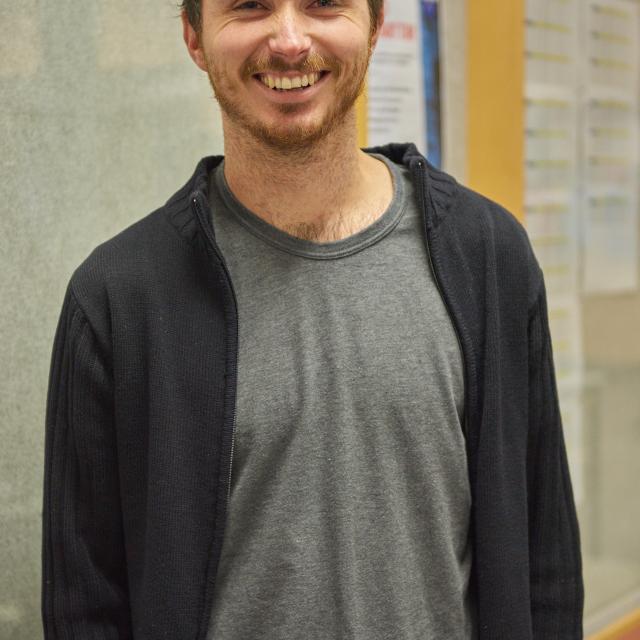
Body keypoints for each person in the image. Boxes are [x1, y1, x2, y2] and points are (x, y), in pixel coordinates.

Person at [41, 0, 584, 638]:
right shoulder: (118, 300)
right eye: (250, 5)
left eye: (324, 3)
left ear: (375, 23)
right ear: (194, 36)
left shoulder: (490, 259)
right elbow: (84, 609)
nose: (290, 40)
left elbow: (545, 570)